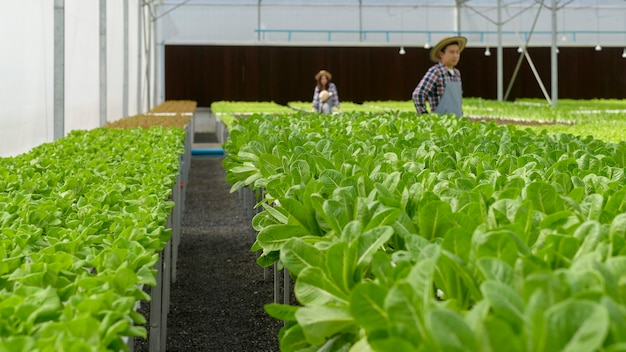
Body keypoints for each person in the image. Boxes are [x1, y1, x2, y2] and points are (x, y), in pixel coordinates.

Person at [412, 36, 467, 117]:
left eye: (457, 52)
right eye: (451, 52)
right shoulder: (436, 72)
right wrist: (424, 116)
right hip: (441, 123)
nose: (455, 55)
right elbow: (418, 94)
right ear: (441, 54)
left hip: (457, 123)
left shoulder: (457, 73)